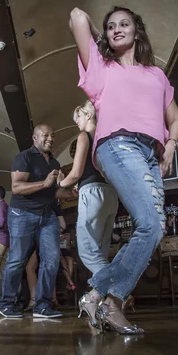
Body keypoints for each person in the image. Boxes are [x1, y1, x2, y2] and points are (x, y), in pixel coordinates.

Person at [69, 6, 178, 334]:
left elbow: (174, 118)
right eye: (110, 26)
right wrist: (100, 36)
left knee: (155, 228)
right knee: (149, 223)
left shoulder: (157, 75)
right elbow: (77, 16)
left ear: (137, 30)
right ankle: (106, 297)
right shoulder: (102, 67)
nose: (117, 29)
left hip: (151, 153)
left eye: (124, 24)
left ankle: (102, 299)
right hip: (117, 145)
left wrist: (171, 143)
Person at [0, 124, 77, 319]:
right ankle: (6, 304)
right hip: (22, 214)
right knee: (17, 259)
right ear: (35, 138)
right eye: (45, 135)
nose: (50, 139)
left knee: (51, 260)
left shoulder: (55, 164)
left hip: (47, 216)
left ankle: (42, 306)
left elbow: (54, 192)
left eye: (52, 135)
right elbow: (16, 188)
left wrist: (71, 193)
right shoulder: (24, 157)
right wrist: (45, 182)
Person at [57, 100, 119, 275]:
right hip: (111, 194)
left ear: (89, 115)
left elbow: (75, 173)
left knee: (87, 251)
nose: (76, 121)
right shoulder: (108, 138)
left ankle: (117, 291)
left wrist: (60, 183)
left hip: (92, 194)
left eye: (79, 117)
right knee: (101, 250)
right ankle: (104, 298)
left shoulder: (85, 136)